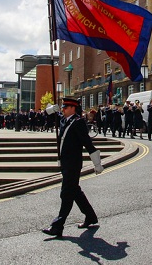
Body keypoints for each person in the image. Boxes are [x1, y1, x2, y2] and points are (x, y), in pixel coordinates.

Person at [42, 97, 103, 238]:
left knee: (66, 193)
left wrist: (97, 164)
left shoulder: (78, 122)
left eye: (65, 107)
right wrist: (52, 109)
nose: (62, 109)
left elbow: (87, 143)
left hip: (73, 164)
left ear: (72, 108)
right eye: (62, 107)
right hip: (65, 162)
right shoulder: (64, 120)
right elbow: (46, 116)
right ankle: (91, 216)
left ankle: (57, 226)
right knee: (75, 191)